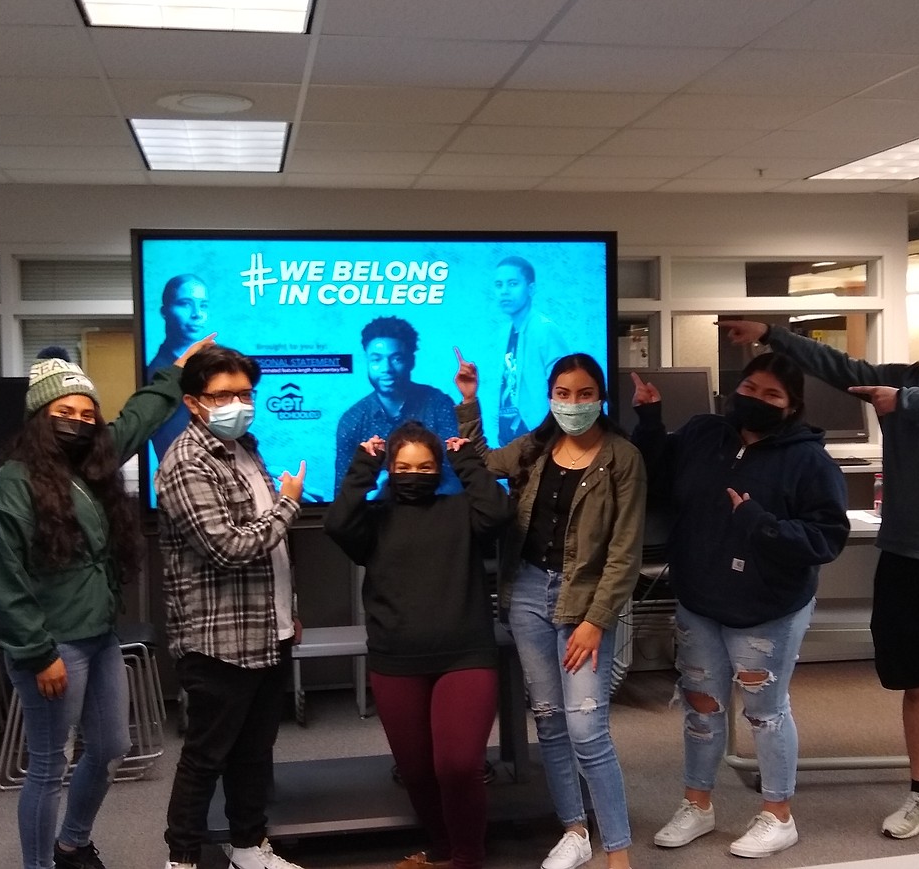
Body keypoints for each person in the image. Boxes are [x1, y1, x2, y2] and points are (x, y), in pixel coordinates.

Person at [717, 285, 919, 843]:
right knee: (915, 685)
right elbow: (841, 365)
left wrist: (906, 403)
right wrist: (771, 335)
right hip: (905, 559)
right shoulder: (908, 378)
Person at [0, 336, 213, 869]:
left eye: (87, 413)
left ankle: (72, 843)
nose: (80, 422)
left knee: (108, 749)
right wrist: (39, 655)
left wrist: (175, 371)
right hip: (51, 646)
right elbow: (5, 582)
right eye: (66, 412)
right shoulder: (9, 487)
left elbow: (137, 417)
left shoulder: (91, 466)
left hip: (99, 635)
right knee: (46, 766)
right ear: (41, 416)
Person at [630, 354, 850, 858]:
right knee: (701, 707)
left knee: (764, 713)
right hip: (700, 599)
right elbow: (658, 477)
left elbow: (827, 537)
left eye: (772, 395)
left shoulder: (809, 460)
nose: (756, 400)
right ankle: (697, 805)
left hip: (767, 607)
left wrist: (759, 523)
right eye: (750, 387)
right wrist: (649, 420)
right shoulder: (705, 433)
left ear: (792, 407)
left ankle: (778, 815)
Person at [453, 349, 645, 869]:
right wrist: (469, 404)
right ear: (550, 398)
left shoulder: (621, 457)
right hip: (528, 595)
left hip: (585, 602)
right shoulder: (537, 447)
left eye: (584, 394)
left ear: (600, 398)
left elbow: (625, 551)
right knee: (550, 722)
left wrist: (596, 621)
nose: (573, 404)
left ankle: (619, 852)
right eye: (563, 394)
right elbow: (480, 462)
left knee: (588, 729)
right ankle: (574, 831)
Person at [325, 421, 512, 869]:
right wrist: (362, 467)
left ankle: (468, 858)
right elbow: (337, 523)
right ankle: (443, 852)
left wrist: (466, 461)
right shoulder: (372, 520)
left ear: (439, 468)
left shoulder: (462, 510)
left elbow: (499, 513)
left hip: (465, 656)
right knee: (417, 772)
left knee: (458, 766)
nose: (414, 473)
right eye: (403, 466)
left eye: (426, 466)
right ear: (390, 468)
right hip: (395, 661)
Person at [155, 345, 308, 869]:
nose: (237, 404)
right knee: (206, 755)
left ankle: (248, 845)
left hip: (269, 629)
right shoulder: (185, 461)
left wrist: (290, 611)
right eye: (223, 395)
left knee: (255, 751)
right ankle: (182, 859)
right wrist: (290, 502)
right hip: (218, 640)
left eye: (245, 393)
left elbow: (273, 548)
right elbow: (229, 546)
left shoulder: (245, 447)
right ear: (196, 403)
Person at [334, 315, 459, 493]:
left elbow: (455, 479)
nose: (386, 369)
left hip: (435, 513)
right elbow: (342, 493)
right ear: (367, 362)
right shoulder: (352, 420)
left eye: (396, 358)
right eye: (376, 360)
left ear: (411, 361)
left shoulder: (439, 405)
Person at [486, 257, 571, 447]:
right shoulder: (502, 334)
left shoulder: (545, 330)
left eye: (513, 283)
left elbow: (566, 387)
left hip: (539, 436)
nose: (504, 291)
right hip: (507, 437)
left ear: (531, 289)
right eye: (499, 285)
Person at [147, 273, 210, 461]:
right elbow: (181, 455)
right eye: (185, 304)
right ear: (165, 311)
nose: (197, 314)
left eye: (203, 305)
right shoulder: (158, 376)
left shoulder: (208, 367)